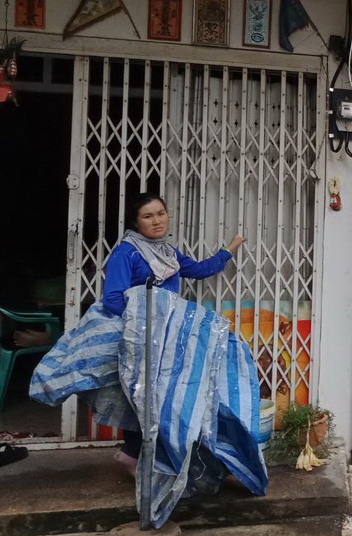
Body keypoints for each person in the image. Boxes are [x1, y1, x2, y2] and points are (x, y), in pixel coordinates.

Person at [104, 192, 246, 474]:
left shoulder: (167, 252)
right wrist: (147, 322)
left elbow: (199, 269)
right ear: (135, 222)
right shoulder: (126, 253)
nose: (157, 221)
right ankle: (132, 455)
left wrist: (229, 249)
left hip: (168, 337)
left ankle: (147, 456)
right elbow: (113, 299)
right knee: (143, 395)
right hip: (141, 339)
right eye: (148, 216)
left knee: (164, 395)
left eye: (161, 213)